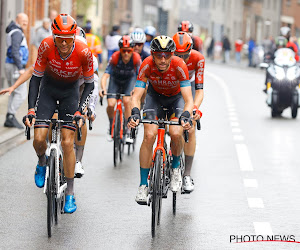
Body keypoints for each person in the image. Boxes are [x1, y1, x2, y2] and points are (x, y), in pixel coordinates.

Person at [23, 14, 94, 213]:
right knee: (39, 138)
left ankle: (70, 193)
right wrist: (31, 109)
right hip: (48, 89)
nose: (63, 43)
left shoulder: (83, 52)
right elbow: (35, 79)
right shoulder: (46, 46)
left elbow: (89, 84)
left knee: (66, 142)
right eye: (59, 38)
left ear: (74, 37)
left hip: (70, 92)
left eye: (68, 38)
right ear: (53, 36)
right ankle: (41, 162)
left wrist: (81, 109)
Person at [127, 36, 193, 205]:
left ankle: (176, 168)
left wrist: (186, 114)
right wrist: (135, 112)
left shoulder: (180, 65)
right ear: (152, 54)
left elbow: (188, 98)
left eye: (167, 55)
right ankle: (143, 185)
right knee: (149, 135)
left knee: (176, 132)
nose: (163, 60)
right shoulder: (147, 64)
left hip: (175, 99)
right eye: (158, 55)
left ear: (172, 54)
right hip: (154, 98)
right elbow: (137, 94)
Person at [173, 32, 205, 193]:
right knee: (171, 128)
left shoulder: (198, 58)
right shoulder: (166, 60)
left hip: (189, 88)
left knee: (190, 127)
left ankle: (186, 175)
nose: (182, 59)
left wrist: (195, 108)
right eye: (178, 55)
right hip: (173, 87)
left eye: (185, 55)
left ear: (191, 51)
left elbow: (199, 90)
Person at [99, 35, 141, 143]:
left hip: (129, 81)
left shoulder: (136, 58)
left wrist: (135, 90)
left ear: (132, 50)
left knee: (127, 101)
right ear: (120, 50)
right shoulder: (115, 57)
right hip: (116, 80)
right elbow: (105, 76)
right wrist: (103, 89)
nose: (126, 53)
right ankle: (111, 125)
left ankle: (127, 129)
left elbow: (140, 78)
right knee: (111, 104)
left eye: (128, 51)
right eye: (123, 51)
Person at [4, 13, 29, 129]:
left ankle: (9, 118)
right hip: (15, 66)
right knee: (21, 93)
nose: (25, 23)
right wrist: (20, 68)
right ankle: (11, 116)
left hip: (10, 64)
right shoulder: (17, 33)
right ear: (16, 20)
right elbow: (15, 51)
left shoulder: (14, 31)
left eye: (26, 21)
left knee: (13, 92)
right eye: (23, 20)